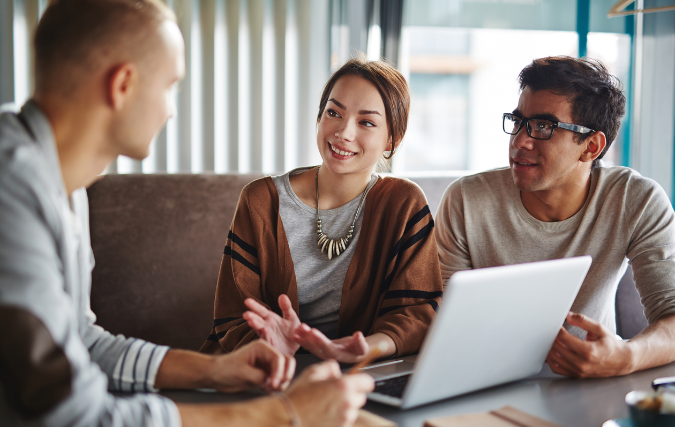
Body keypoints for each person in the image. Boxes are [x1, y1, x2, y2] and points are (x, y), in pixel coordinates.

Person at [0, 0, 374, 425]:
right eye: (170, 86)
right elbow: (73, 415)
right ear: (122, 85)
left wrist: (214, 369)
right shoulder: (11, 189)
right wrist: (282, 413)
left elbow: (80, 343)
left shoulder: (60, 182)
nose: (171, 109)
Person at [435, 56, 675, 378]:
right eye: (518, 121)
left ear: (591, 146)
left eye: (544, 127)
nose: (520, 140)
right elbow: (445, 322)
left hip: (591, 385)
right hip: (483, 380)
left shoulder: (635, 200)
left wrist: (626, 356)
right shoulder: (466, 200)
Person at [199, 57, 443, 363]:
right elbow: (233, 314)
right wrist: (277, 351)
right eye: (333, 112)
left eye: (366, 122)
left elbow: (418, 313)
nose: (343, 132)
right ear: (319, 117)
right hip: (261, 371)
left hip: (358, 374)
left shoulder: (403, 203)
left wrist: (365, 348)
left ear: (392, 139)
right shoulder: (261, 200)